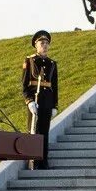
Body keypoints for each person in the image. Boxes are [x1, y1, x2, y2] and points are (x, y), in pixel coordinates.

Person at [22, 31, 59, 170]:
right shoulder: (29, 61)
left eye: (46, 43)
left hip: (47, 102)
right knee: (34, 131)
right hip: (35, 100)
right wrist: (29, 101)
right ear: (36, 45)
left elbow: (55, 86)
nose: (44, 45)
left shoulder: (52, 64)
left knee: (45, 132)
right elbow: (25, 85)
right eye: (42, 43)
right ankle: (33, 160)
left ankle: (44, 161)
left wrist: (55, 105)